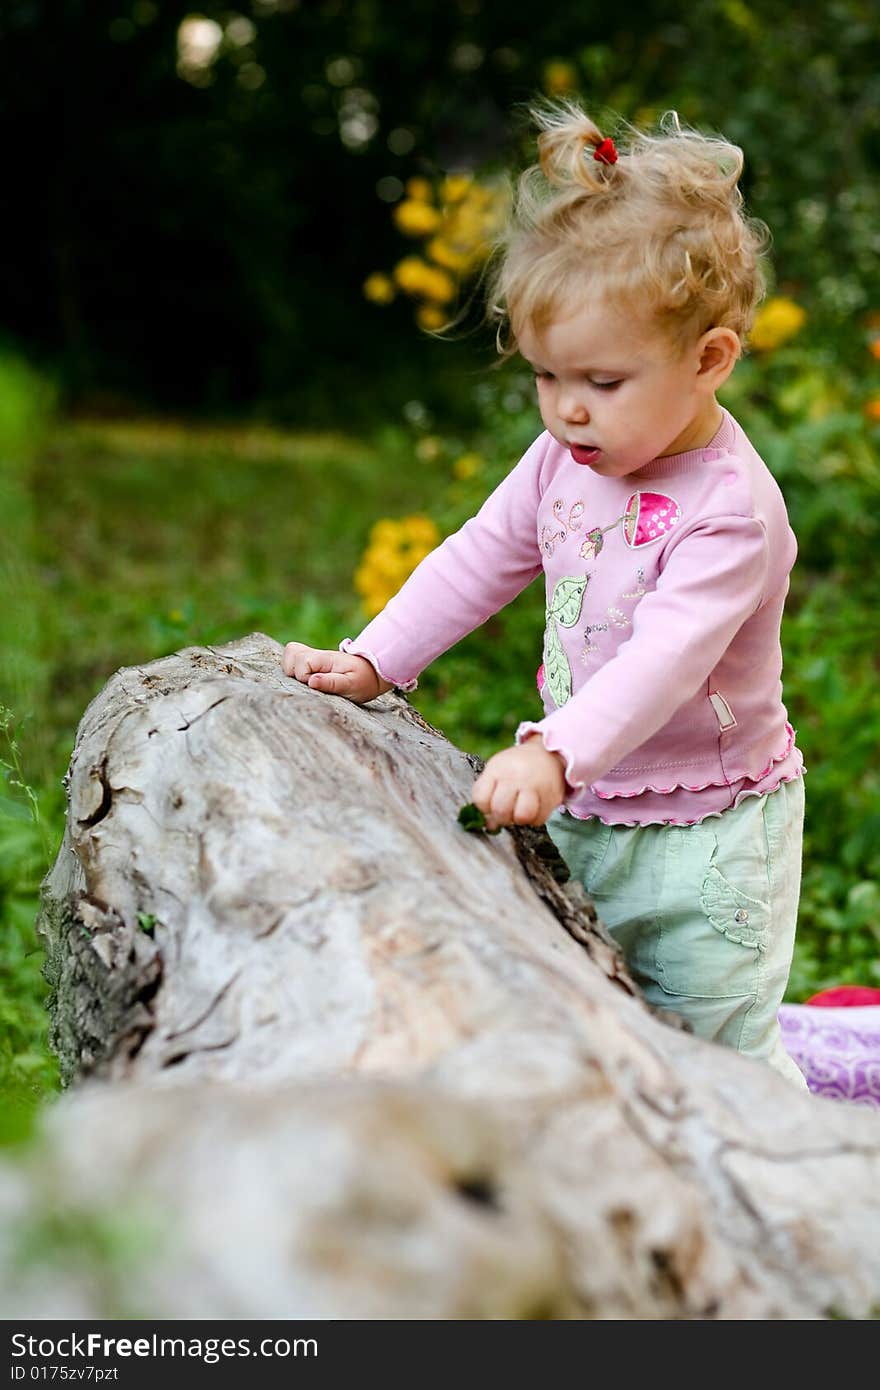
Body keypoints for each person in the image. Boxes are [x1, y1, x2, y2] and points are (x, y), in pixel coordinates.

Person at [282, 103, 808, 1088]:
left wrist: (556, 751)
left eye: (603, 380)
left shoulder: (727, 513)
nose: (567, 407)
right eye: (546, 376)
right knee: (581, 1004)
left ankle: (791, 1192)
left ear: (709, 359)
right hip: (583, 797)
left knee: (713, 1049)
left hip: (708, 837)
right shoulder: (565, 456)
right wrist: (377, 656)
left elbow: (662, 662)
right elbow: (482, 552)